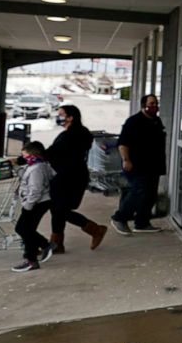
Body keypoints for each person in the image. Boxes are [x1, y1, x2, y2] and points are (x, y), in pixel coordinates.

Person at [45, 104, 108, 253]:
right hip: (68, 175)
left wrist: (27, 157)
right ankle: (57, 244)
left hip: (70, 177)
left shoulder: (71, 135)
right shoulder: (79, 133)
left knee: (60, 210)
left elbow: (52, 152)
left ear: (70, 117)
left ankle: (95, 229)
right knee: (57, 209)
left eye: (61, 115)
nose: (58, 117)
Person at [110, 94, 166, 235]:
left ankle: (142, 223)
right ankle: (120, 218)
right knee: (139, 191)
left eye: (156, 103)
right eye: (151, 103)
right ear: (143, 105)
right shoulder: (134, 122)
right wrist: (126, 159)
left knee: (150, 195)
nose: (155, 106)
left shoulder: (156, 121)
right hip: (136, 165)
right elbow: (123, 143)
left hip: (154, 165)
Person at [12, 141, 55, 272]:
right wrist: (15, 167)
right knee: (25, 229)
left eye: (25, 156)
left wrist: (28, 206)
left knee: (24, 229)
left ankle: (32, 259)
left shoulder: (38, 169)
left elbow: (36, 190)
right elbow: (26, 176)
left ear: (34, 155)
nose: (23, 158)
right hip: (37, 202)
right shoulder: (35, 165)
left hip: (37, 202)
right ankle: (44, 246)